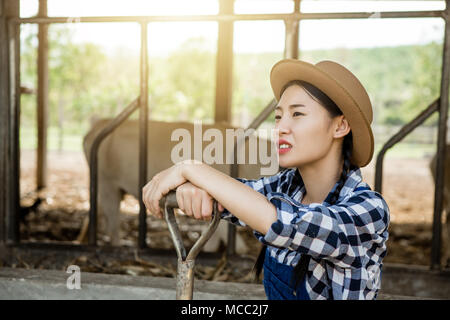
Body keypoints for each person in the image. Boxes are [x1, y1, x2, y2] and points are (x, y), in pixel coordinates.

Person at [142, 58, 390, 300]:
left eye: (298, 114)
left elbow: (281, 222)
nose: (281, 127)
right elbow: (233, 196)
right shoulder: (285, 186)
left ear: (340, 126)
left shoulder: (368, 211)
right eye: (279, 116)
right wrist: (195, 188)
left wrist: (193, 168)